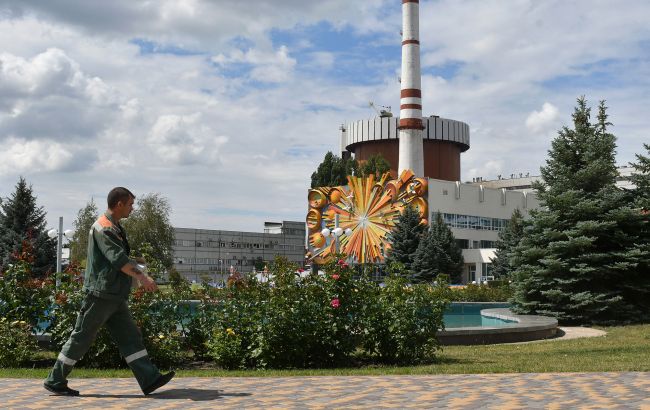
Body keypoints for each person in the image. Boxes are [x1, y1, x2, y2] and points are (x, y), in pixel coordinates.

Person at [44, 187, 174, 396]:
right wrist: (142, 277)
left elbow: (121, 257)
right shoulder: (104, 228)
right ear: (119, 204)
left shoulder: (114, 227)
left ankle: (149, 379)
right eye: (130, 204)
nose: (133, 208)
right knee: (81, 337)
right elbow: (119, 260)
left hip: (114, 296)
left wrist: (138, 267)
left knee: (131, 337)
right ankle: (55, 379)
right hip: (101, 295)